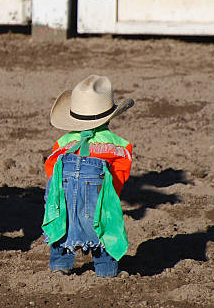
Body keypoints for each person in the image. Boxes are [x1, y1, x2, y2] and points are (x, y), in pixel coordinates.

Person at [42, 75, 134, 278]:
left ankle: (60, 265)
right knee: (104, 225)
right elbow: (120, 173)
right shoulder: (119, 144)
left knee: (62, 222)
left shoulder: (63, 142)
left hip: (64, 186)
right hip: (98, 188)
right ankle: (105, 270)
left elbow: (52, 168)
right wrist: (111, 195)